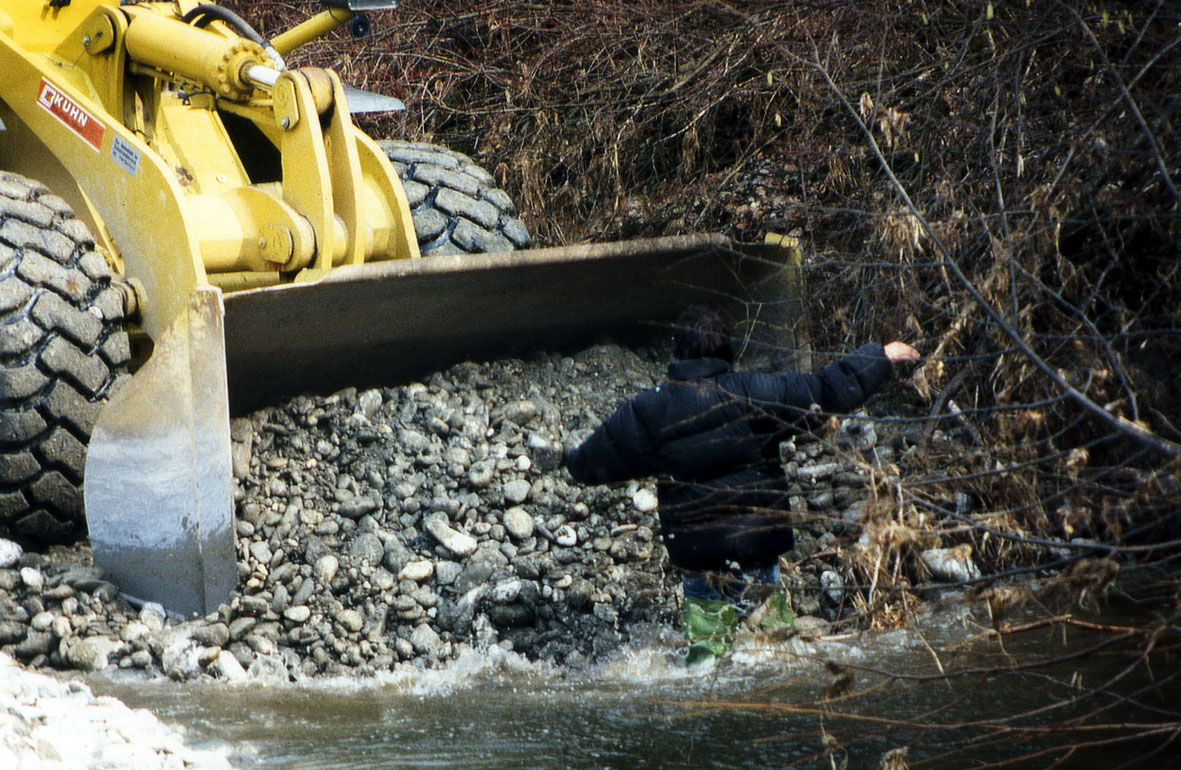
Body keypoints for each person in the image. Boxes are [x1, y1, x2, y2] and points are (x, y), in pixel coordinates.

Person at [564, 306, 920, 664]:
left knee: (705, 658)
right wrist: (880, 355)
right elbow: (824, 389)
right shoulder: (756, 391)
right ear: (727, 349)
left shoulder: (648, 409)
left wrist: (570, 460)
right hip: (756, 542)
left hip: (698, 550)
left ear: (680, 351)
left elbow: (594, 460)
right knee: (772, 653)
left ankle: (706, 672)